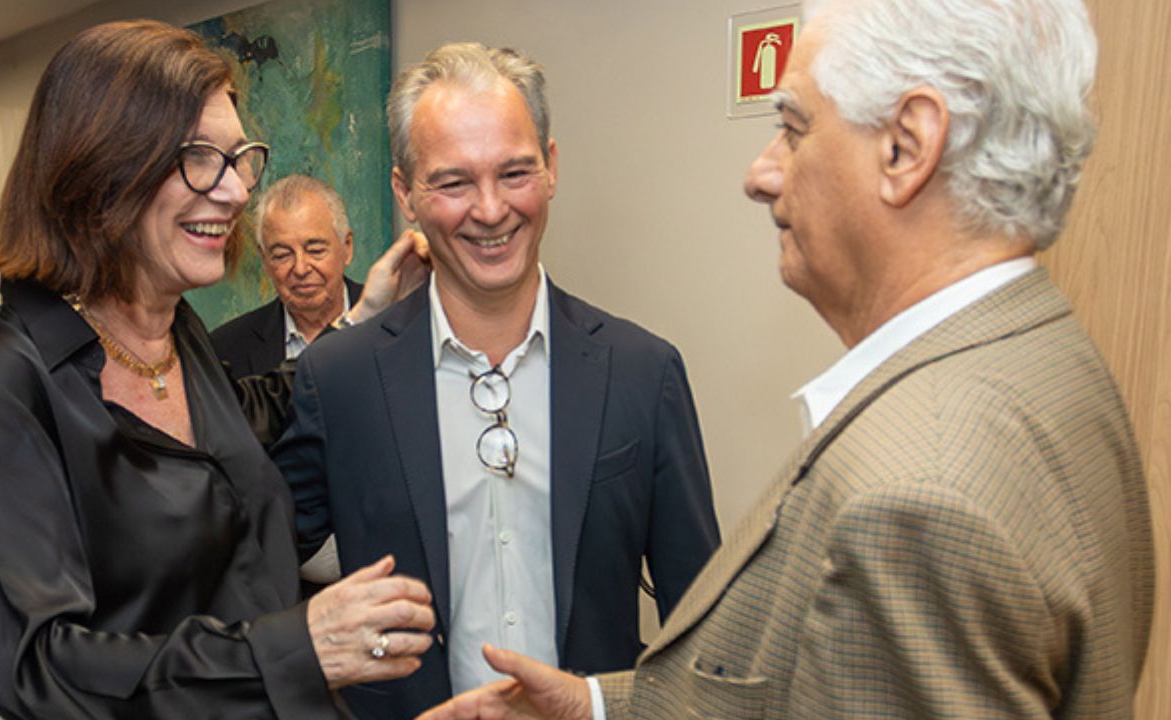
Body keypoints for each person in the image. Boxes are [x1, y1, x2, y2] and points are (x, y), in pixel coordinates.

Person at [419, 0, 1155, 718]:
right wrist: (596, 706)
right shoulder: (1043, 356)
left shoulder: (917, 497)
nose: (761, 173)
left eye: (794, 129)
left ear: (907, 147)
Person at [0, 20, 436, 719]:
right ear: (100, 169)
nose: (236, 192)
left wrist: (362, 319)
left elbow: (246, 419)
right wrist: (292, 649)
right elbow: (37, 670)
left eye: (240, 159)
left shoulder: (175, 330)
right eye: (199, 158)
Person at [271, 42, 720, 719]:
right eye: (453, 183)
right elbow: (254, 577)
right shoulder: (340, 380)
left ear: (551, 167)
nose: (489, 209)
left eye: (514, 173)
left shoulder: (641, 372)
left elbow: (708, 634)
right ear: (405, 193)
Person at [212, 175, 363, 381]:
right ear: (265, 260)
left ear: (347, 247)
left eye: (315, 250)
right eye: (282, 255)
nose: (300, 269)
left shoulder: (395, 322)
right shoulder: (226, 351)